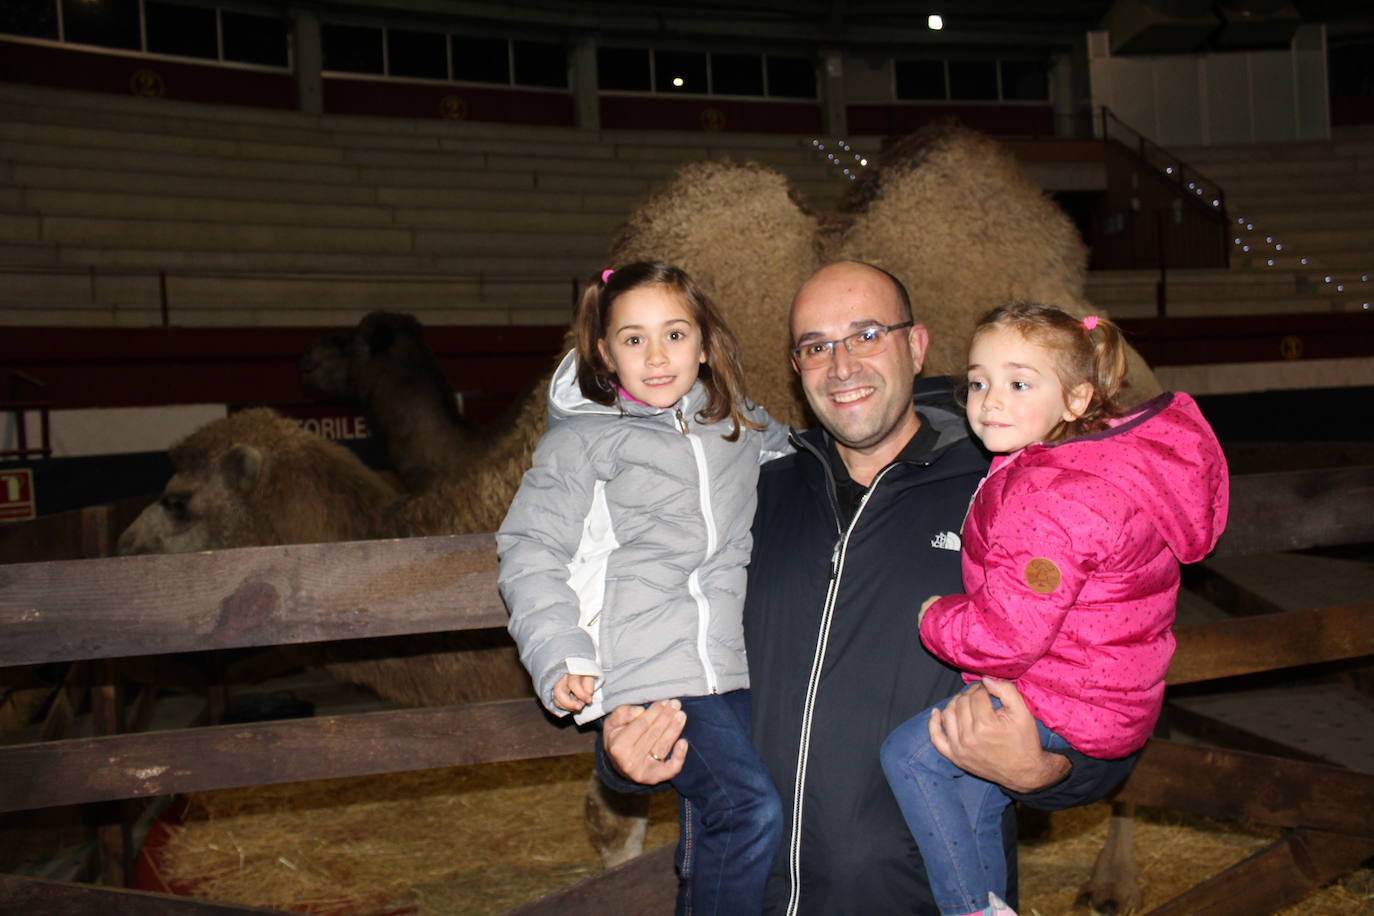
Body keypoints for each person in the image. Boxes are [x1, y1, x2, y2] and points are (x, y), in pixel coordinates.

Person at [600, 261, 1141, 914]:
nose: (842, 365)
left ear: (916, 347)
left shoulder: (1010, 497)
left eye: (866, 335)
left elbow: (1113, 680)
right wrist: (624, 747)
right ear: (797, 368)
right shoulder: (744, 493)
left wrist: (1048, 771)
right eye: (816, 346)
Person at [496, 261, 791, 915]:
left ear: (706, 343)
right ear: (603, 351)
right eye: (634, 339)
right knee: (749, 811)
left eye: (675, 335)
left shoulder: (739, 428)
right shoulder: (583, 445)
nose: (657, 357)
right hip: (653, 674)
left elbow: (807, 466)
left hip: (738, 668)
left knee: (740, 823)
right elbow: (530, 550)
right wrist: (561, 656)